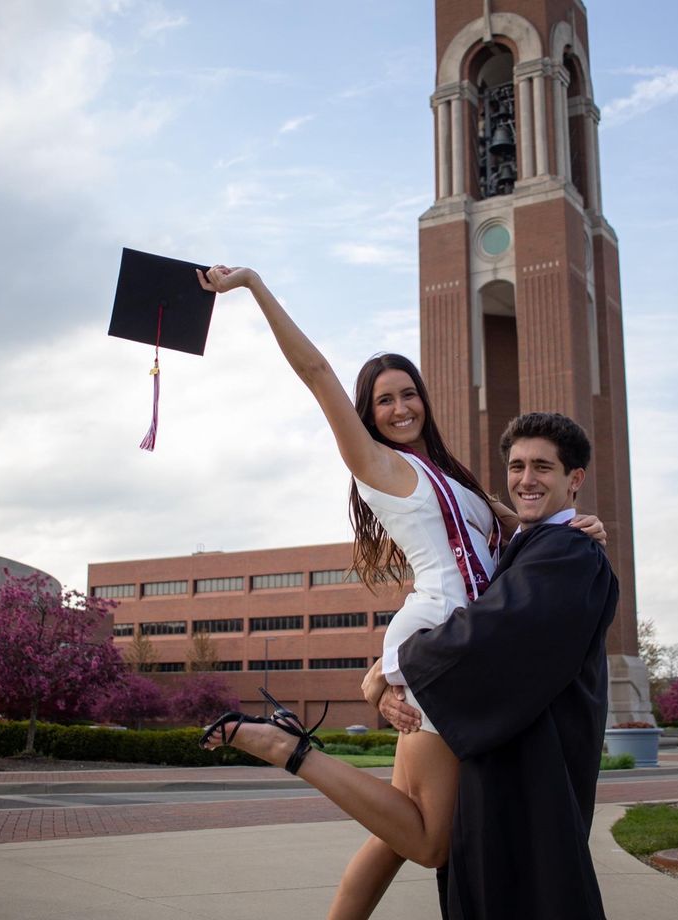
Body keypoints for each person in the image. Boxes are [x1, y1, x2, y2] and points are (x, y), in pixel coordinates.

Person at [196, 265, 606, 920]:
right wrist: (253, 286)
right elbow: (317, 373)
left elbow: (520, 527)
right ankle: (287, 748)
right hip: (447, 648)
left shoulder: (453, 478)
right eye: (383, 399)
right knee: (429, 840)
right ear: (368, 412)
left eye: (407, 394)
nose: (399, 408)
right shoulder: (377, 466)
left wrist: (575, 522)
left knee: (392, 834)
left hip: (459, 639)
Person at [374, 412, 618, 920]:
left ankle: (293, 752)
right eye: (516, 466)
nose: (526, 479)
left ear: (575, 479)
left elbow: (489, 635)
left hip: (534, 778)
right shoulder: (535, 546)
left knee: (531, 895)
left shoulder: (568, 551)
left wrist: (405, 658)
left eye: (543, 468)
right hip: (508, 770)